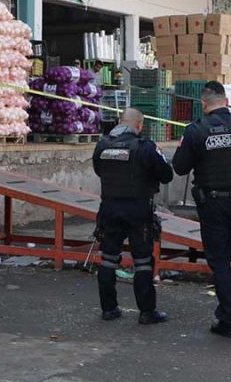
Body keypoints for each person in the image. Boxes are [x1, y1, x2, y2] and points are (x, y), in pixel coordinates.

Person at [172, 81, 231, 338]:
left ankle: (228, 320)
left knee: (221, 263)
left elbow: (180, 167)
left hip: (213, 205)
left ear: (204, 103)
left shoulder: (196, 130)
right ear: (225, 100)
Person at [92, 108, 174, 325]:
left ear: (121, 122)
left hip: (109, 208)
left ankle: (109, 309)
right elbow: (167, 174)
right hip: (138, 210)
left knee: (108, 259)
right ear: (139, 125)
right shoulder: (145, 147)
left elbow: (98, 170)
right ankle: (147, 312)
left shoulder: (102, 145)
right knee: (143, 261)